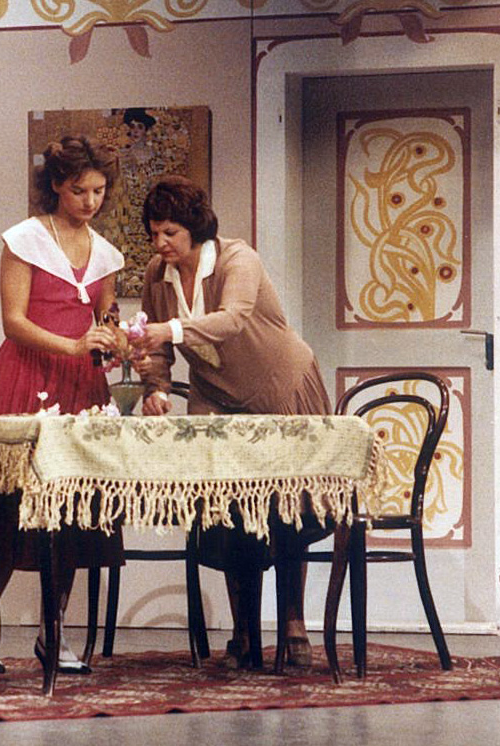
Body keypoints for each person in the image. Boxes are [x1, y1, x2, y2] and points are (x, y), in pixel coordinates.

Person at [133, 175, 331, 669]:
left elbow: (234, 318)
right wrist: (156, 388)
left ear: (195, 228)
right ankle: (244, 629)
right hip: (218, 398)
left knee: (289, 507)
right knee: (228, 512)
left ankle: (293, 624)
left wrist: (169, 329)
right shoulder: (157, 274)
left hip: (280, 389)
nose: (161, 244)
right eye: (154, 233)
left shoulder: (237, 258)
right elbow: (157, 350)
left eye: (171, 233)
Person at [0, 134, 124, 674]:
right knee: (11, 506)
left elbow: (105, 317)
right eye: (80, 190)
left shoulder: (106, 253)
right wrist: (72, 346)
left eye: (99, 191)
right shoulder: (25, 240)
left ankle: (53, 629)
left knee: (74, 511)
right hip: (28, 376)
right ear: (58, 186)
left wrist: (115, 339)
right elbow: (13, 321)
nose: (90, 201)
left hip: (81, 386)